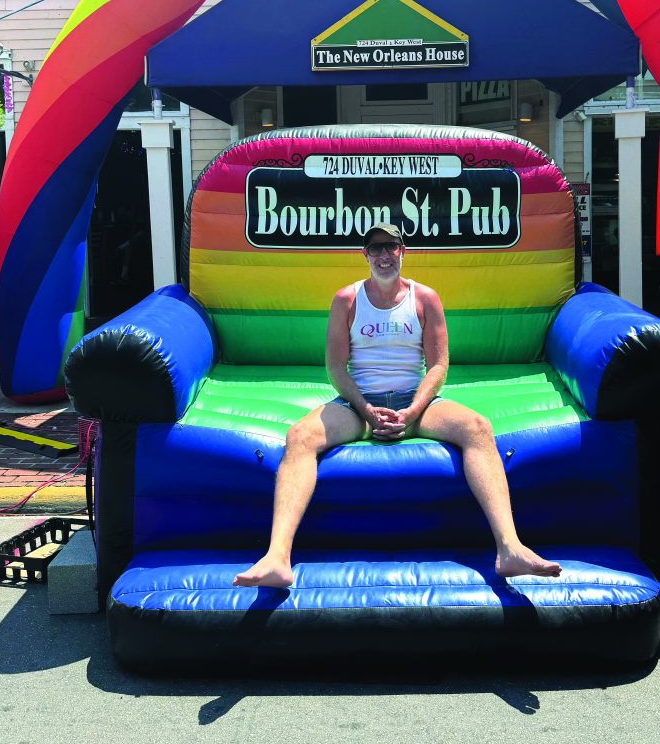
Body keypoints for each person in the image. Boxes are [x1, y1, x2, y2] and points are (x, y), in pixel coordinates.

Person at [234, 222, 562, 589]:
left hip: (414, 401)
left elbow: (438, 365)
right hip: (359, 403)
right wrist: (364, 409)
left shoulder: (425, 299)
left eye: (391, 247)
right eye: (375, 248)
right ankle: (277, 556)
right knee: (300, 436)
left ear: (403, 252)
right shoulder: (347, 299)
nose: (384, 255)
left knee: (478, 428)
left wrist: (413, 410)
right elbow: (335, 368)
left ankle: (509, 547)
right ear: (364, 255)